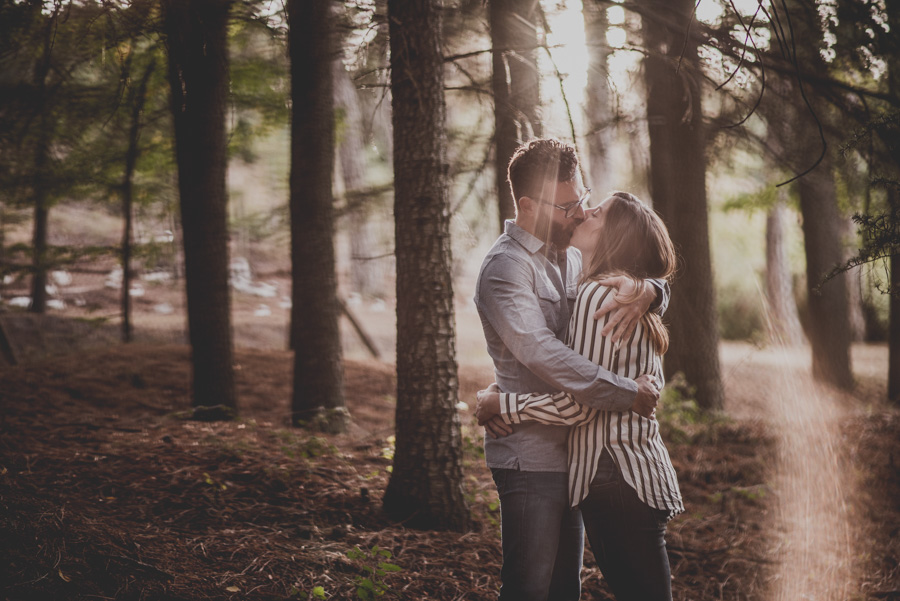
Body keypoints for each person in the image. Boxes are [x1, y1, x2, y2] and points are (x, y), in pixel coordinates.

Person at [473, 139, 668, 601]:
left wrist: (652, 291)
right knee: (529, 589)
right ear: (526, 205)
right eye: (568, 206)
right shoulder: (506, 268)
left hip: (577, 456)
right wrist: (625, 392)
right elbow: (540, 351)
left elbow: (632, 268)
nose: (580, 213)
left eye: (583, 200)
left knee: (563, 593)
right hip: (529, 457)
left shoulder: (575, 255)